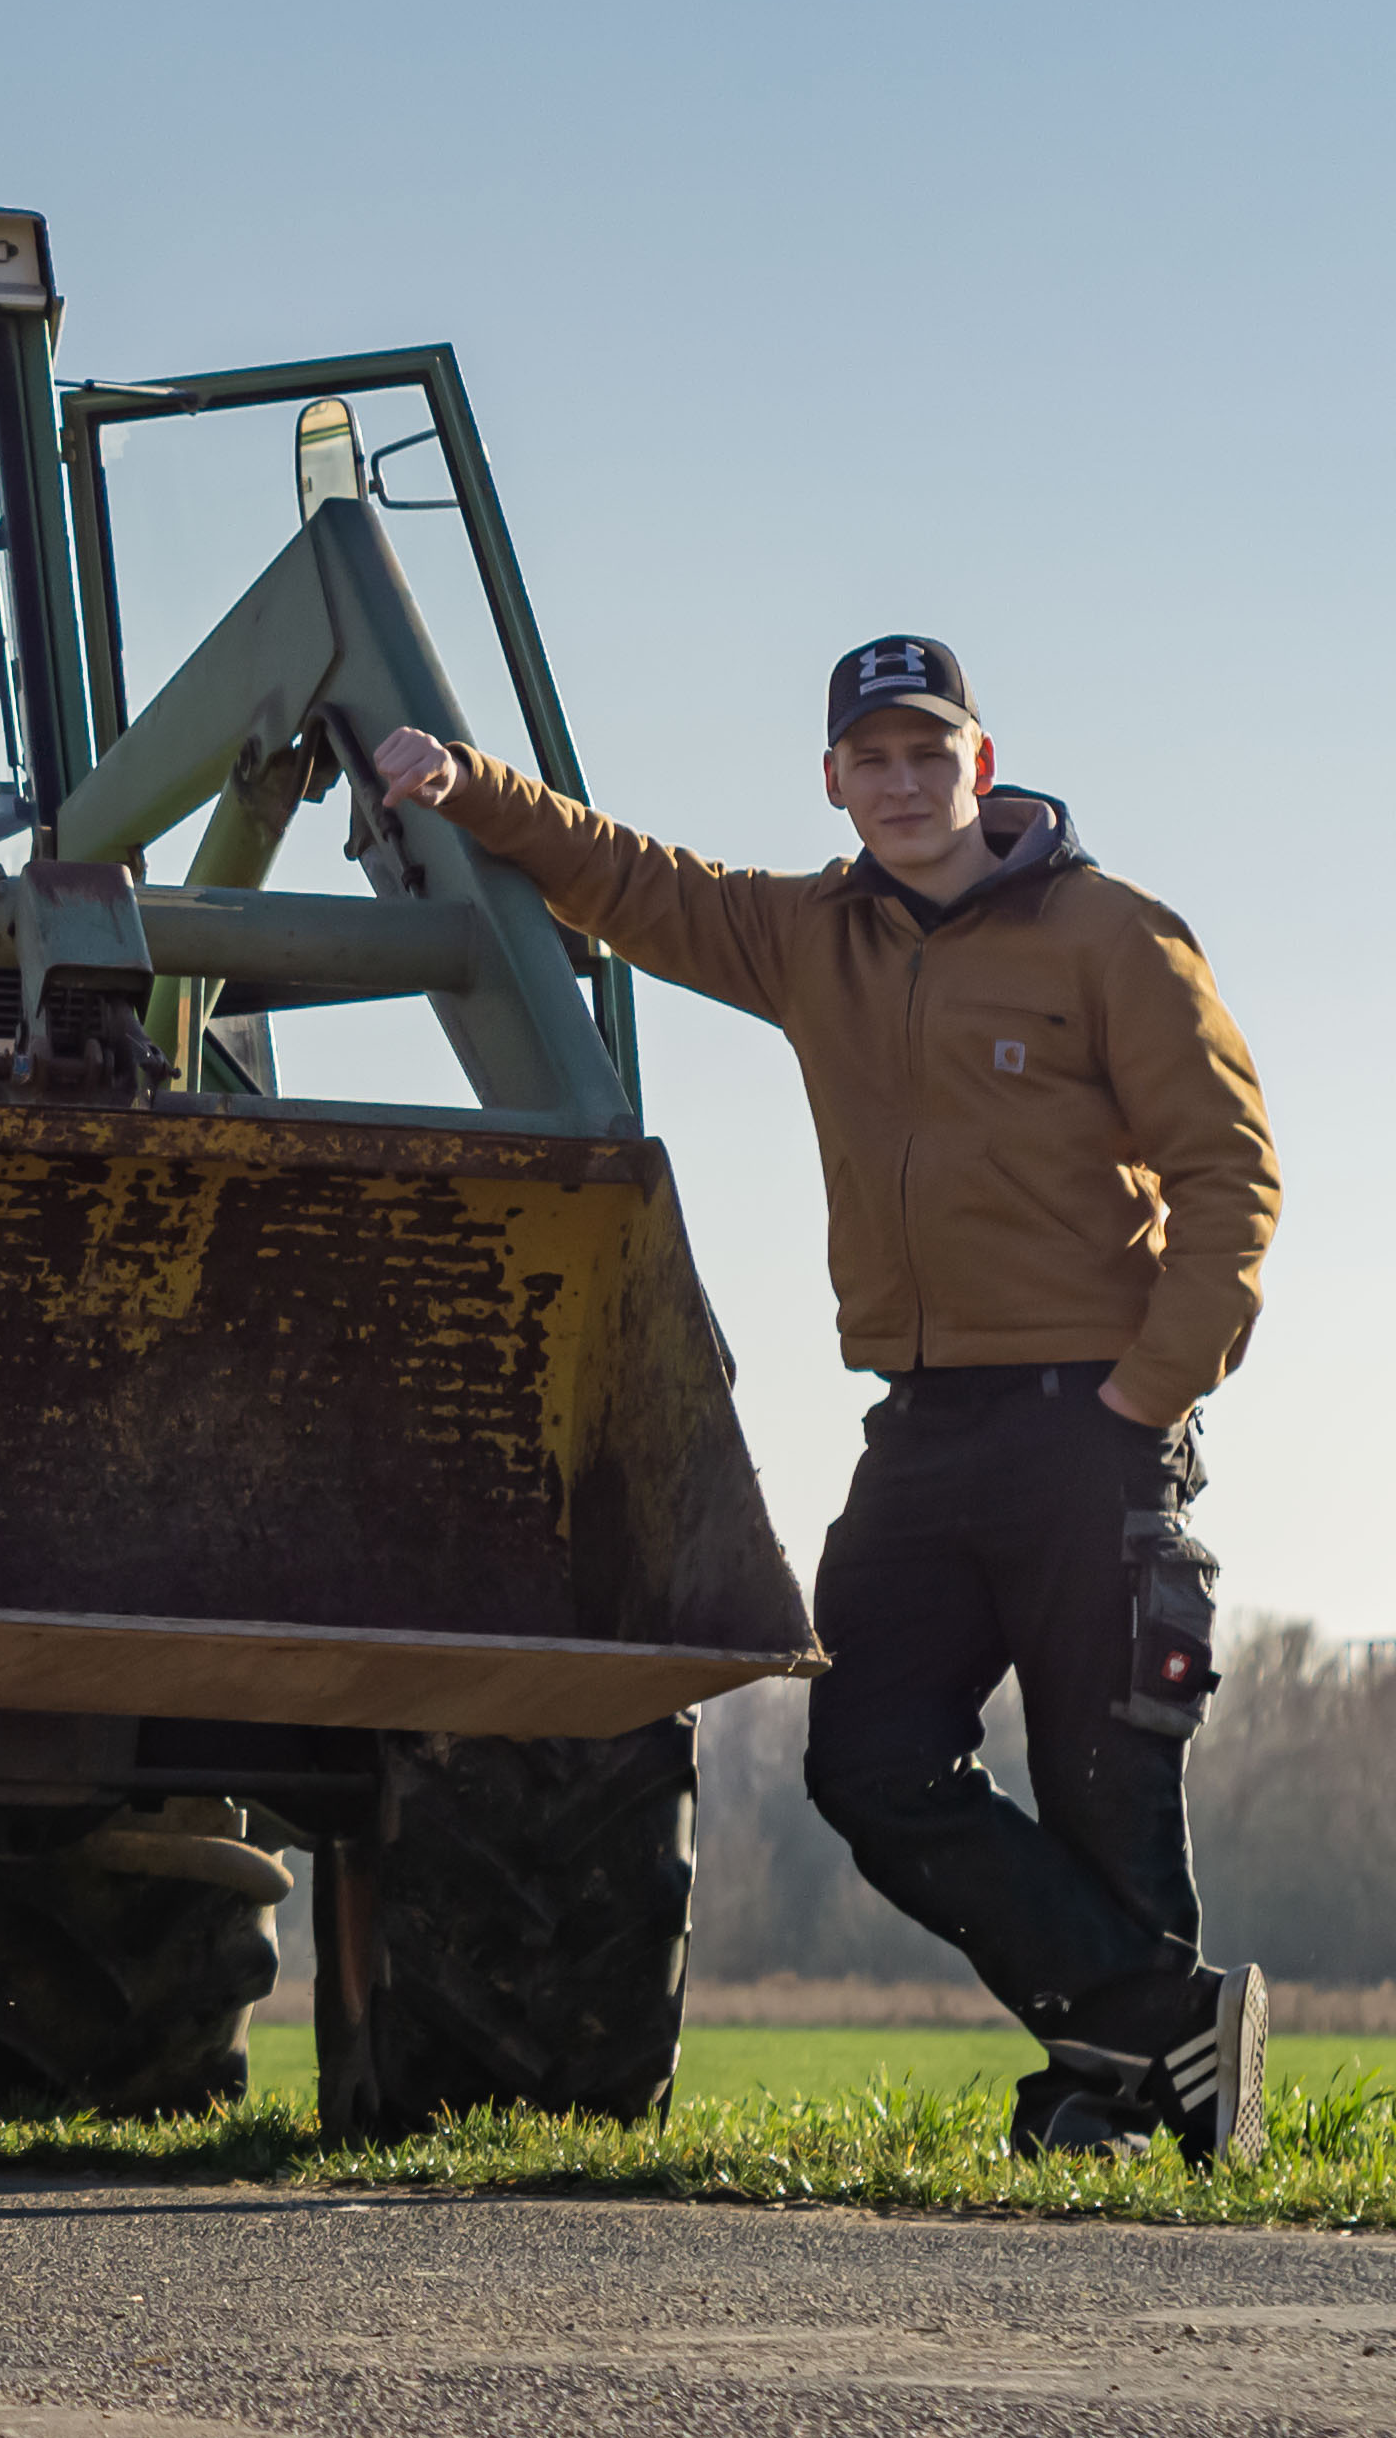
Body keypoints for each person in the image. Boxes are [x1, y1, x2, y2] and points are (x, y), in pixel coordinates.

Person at [368, 634, 1282, 2161]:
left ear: (982, 766)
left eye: (933, 753)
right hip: (921, 1431)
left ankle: (1113, 2104)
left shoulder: (1110, 936)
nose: (907, 783)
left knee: (1103, 1780)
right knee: (868, 1757)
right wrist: (466, 788)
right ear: (836, 783)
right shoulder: (812, 940)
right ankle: (1159, 2020)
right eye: (876, 759)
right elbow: (632, 883)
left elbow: (1230, 1168)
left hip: (1089, 1427)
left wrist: (1148, 1391)